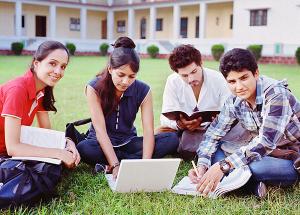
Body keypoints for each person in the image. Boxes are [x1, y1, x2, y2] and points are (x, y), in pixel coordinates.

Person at [189, 48, 300, 198]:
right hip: (264, 153)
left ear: (256, 73)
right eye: (232, 81)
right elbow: (213, 134)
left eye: (244, 78)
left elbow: (265, 143)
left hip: (292, 155)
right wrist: (203, 165)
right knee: (219, 150)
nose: (239, 87)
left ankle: (245, 181)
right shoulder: (234, 101)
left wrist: (224, 166)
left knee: (254, 166)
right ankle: (255, 185)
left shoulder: (276, 95)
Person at [76, 37, 178, 178]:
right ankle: (122, 163)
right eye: (121, 75)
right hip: (99, 143)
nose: (125, 81)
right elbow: (100, 130)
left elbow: (148, 131)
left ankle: (110, 165)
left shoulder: (144, 90)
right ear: (110, 69)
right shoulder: (94, 87)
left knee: (171, 139)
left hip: (128, 141)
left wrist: (145, 164)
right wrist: (116, 165)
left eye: (132, 76)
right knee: (84, 148)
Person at [0, 41, 80, 168]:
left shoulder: (41, 90)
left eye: (63, 66)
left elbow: (46, 132)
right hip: (6, 154)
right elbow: (13, 148)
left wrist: (67, 143)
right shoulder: (17, 90)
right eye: (52, 63)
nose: (58, 71)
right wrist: (58, 153)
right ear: (36, 64)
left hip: (8, 155)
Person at [158, 44, 241, 160]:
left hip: (213, 130)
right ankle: (185, 146)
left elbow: (231, 113)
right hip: (182, 129)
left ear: (201, 63)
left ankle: (187, 148)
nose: (191, 79)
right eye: (184, 75)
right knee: (159, 134)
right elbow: (164, 118)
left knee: (236, 133)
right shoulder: (173, 81)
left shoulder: (218, 79)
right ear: (177, 73)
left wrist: (214, 122)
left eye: (194, 71)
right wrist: (180, 124)